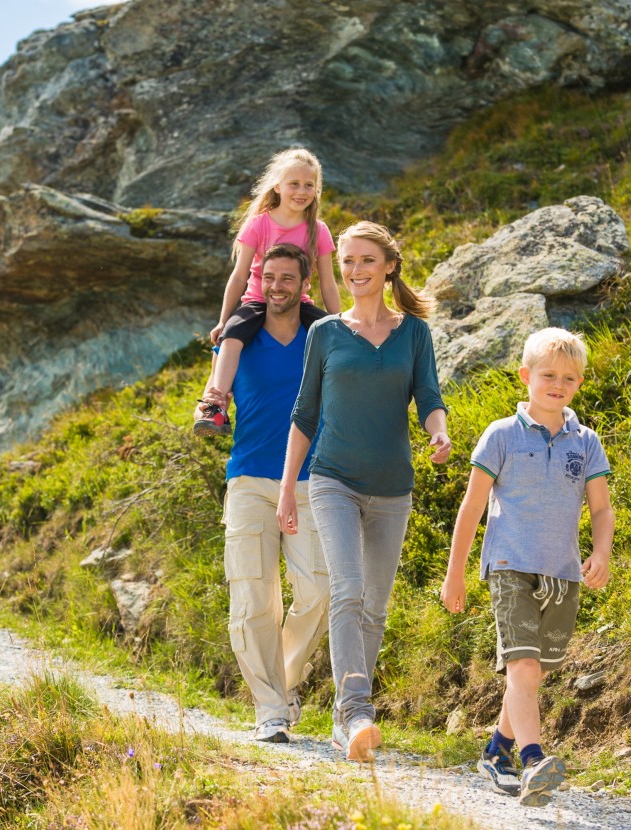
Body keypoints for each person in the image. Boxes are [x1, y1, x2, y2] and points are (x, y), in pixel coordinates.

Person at [276, 221, 451, 762]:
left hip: (393, 486)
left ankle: (342, 719)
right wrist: (288, 489)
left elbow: (428, 395)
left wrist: (439, 431)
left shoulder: (414, 333)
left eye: (366, 261)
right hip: (333, 478)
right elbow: (305, 413)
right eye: (347, 261)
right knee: (347, 591)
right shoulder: (325, 333)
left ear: (389, 267)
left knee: (374, 606)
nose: (354, 270)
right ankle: (357, 711)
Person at [440, 327, 614, 808]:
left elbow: (601, 508)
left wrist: (600, 554)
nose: (558, 385)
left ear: (579, 383)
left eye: (570, 378)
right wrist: (455, 573)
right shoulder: (501, 435)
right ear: (526, 376)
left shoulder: (587, 442)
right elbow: (471, 507)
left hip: (562, 573)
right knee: (523, 664)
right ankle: (534, 759)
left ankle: (497, 751)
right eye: (548, 375)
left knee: (532, 675)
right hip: (510, 565)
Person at [196, 243, 330, 743]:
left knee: (318, 590)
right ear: (259, 279)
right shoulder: (238, 336)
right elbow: (216, 389)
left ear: (303, 284)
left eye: (286, 278)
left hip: (313, 479)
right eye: (267, 277)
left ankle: (284, 679)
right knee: (253, 598)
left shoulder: (321, 337)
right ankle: (270, 708)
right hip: (250, 478)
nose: (276, 286)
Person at [194, 147, 341, 437]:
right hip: (258, 301)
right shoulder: (259, 223)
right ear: (278, 186)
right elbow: (239, 276)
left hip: (299, 303)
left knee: (334, 339)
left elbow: (327, 282)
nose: (302, 191)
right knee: (233, 335)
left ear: (317, 189)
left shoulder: (318, 229)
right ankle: (216, 404)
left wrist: (340, 320)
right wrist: (224, 320)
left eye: (309, 185)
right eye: (294, 184)